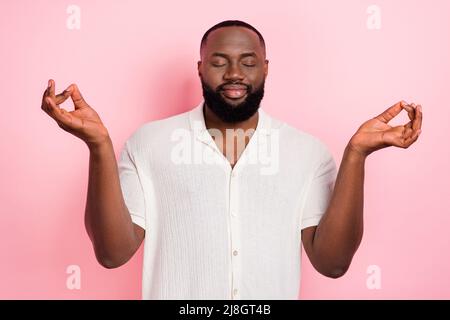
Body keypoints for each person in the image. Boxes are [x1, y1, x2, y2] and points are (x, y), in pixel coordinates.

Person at [41, 20, 422, 299]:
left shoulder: (307, 153)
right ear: (200, 68)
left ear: (266, 68)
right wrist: (98, 145)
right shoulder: (150, 143)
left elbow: (333, 264)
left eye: (249, 62)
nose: (235, 74)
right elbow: (111, 254)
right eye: (220, 61)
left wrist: (357, 154)